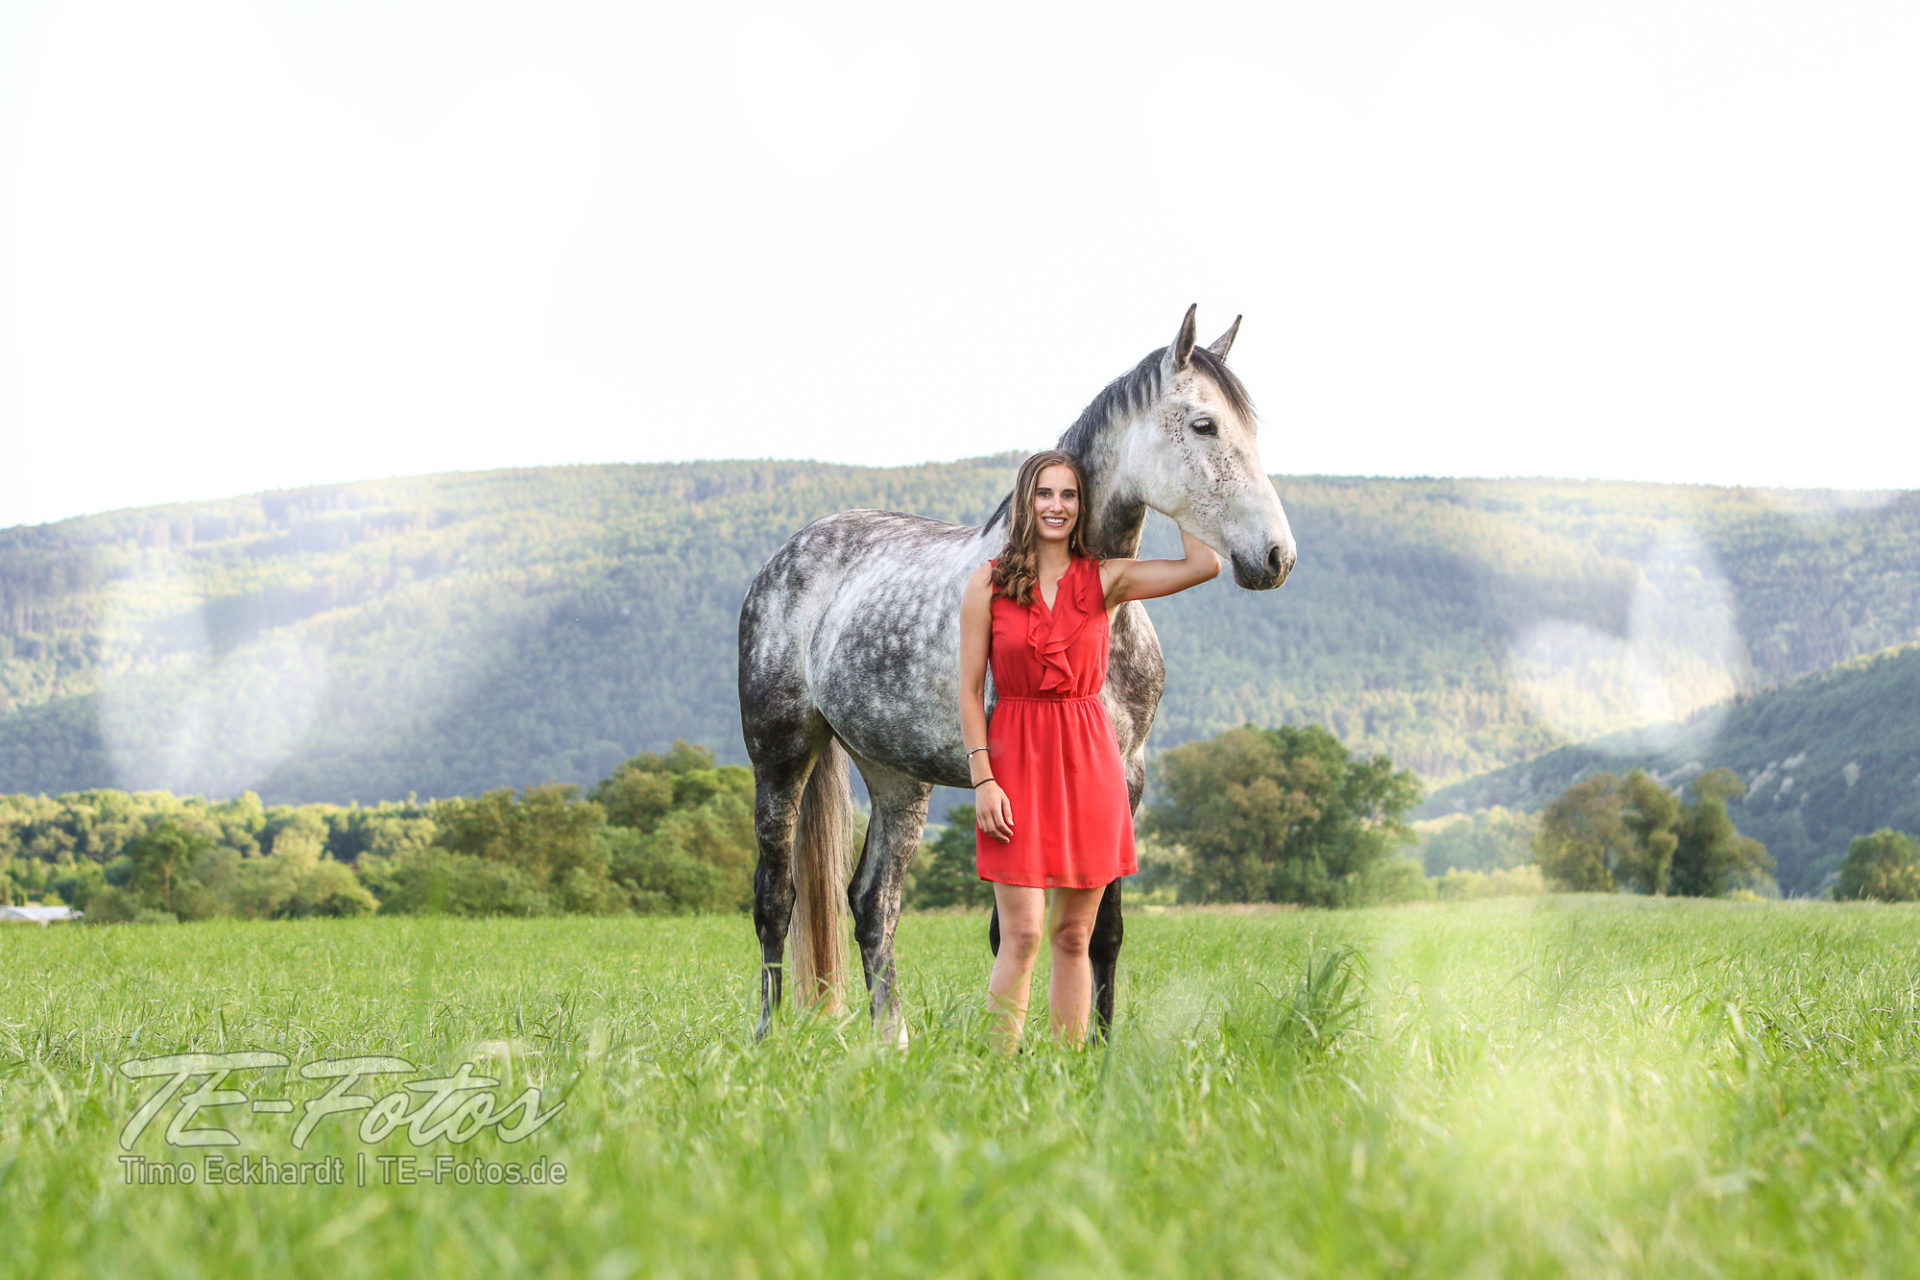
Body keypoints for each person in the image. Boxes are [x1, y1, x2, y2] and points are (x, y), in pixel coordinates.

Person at [957, 449, 1221, 1048]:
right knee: (1021, 934)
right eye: (1044, 494)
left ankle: (1064, 1073)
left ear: (1082, 506)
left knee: (1075, 936)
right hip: (1014, 761)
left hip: (1089, 764)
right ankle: (995, 1074)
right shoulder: (988, 584)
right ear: (1027, 502)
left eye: (1068, 495)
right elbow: (971, 692)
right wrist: (982, 779)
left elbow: (1203, 562)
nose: (1056, 506)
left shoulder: (1107, 578)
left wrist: (1174, 488)